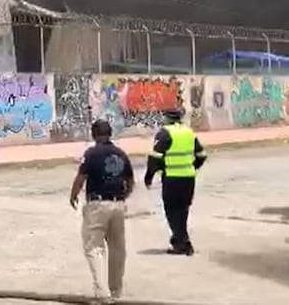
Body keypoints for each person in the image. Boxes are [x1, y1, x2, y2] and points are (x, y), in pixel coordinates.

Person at [70, 119, 135, 302]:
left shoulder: (91, 154)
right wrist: (123, 197)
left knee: (94, 247)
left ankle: (103, 293)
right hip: (118, 204)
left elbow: (81, 178)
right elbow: (130, 181)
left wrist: (73, 195)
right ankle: (115, 291)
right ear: (110, 133)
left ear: (93, 134)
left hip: (97, 205)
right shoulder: (121, 154)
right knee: (117, 249)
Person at [144, 108, 206, 255]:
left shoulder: (165, 133)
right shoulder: (189, 132)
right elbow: (202, 155)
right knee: (183, 211)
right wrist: (192, 166)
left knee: (171, 212)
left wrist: (149, 177)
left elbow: (155, 157)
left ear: (166, 118)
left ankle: (183, 242)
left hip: (172, 178)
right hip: (188, 178)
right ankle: (180, 242)